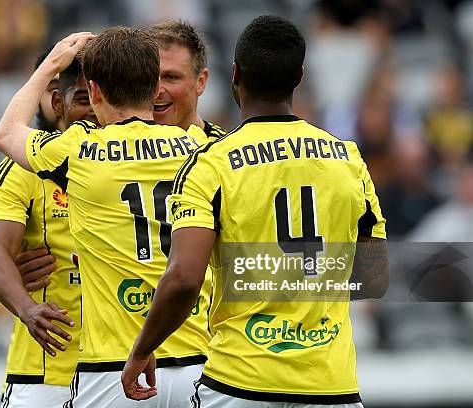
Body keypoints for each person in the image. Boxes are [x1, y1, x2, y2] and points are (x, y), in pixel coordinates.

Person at [122, 15, 389, 407]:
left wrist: (142, 349)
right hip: (329, 385)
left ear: (235, 75)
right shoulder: (347, 159)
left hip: (239, 383)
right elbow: (372, 276)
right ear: (299, 77)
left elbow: (183, 279)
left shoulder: (210, 164)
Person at [0, 28, 213, 407]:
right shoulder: (201, 148)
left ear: (94, 93)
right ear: (153, 88)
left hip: (113, 368)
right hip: (196, 362)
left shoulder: (79, 150)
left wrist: (51, 64)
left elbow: (6, 133)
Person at [0, 52, 96, 407]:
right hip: (44, 376)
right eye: (76, 96)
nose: (91, 108)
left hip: (119, 370)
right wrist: (11, 281)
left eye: (95, 95)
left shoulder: (131, 165)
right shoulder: (19, 172)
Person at [148, 20, 226, 138]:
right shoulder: (118, 150)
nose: (158, 91)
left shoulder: (226, 151)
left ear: (201, 82)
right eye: (149, 77)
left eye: (170, 77)